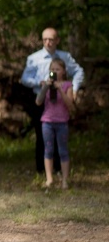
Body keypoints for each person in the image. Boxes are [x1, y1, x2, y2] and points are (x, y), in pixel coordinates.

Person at [20, 27, 83, 173]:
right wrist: (39, 83)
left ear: (57, 40)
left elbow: (78, 71)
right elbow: (24, 78)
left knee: (60, 133)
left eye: (51, 39)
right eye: (45, 40)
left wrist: (74, 88)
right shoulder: (34, 58)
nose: (48, 43)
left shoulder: (65, 57)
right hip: (41, 99)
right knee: (41, 134)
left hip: (61, 101)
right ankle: (42, 169)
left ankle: (59, 168)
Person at [35, 58, 74, 189]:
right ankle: (49, 179)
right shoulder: (46, 85)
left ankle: (65, 180)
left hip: (62, 122)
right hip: (47, 122)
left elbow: (70, 104)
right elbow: (38, 102)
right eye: (52, 69)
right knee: (48, 150)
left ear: (63, 71)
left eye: (57, 69)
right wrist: (46, 86)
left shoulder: (68, 85)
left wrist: (60, 90)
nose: (55, 71)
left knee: (63, 151)